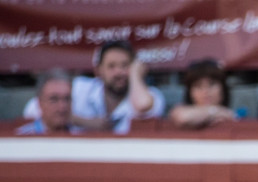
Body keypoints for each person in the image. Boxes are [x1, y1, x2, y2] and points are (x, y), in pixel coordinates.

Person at [24, 40, 164, 134]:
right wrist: (86, 122)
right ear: (98, 70)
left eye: (125, 65)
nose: (119, 72)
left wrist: (135, 75)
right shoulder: (80, 88)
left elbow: (143, 106)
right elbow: (32, 109)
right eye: (111, 66)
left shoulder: (150, 94)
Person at [168, 59, 237, 130]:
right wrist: (216, 111)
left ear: (223, 88)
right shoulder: (180, 110)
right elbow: (182, 117)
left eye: (211, 84)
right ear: (190, 92)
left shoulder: (234, 113)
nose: (205, 91)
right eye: (198, 86)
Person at [16, 70, 82, 135]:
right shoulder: (22, 139)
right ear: (40, 103)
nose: (62, 106)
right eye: (54, 99)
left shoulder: (81, 137)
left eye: (67, 99)